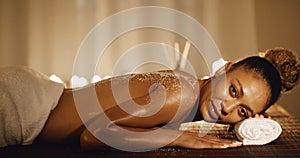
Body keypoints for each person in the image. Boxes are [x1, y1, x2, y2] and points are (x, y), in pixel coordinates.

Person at [0, 47, 299, 150]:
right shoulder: (181, 95)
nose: (228, 109)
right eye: (234, 90)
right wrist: (177, 138)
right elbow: (93, 136)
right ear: (224, 69)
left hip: (33, 96)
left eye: (243, 112)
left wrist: (250, 126)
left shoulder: (189, 86)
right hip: (21, 108)